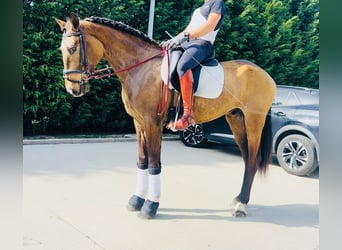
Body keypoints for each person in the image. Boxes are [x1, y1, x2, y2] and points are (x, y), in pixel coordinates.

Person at [162, 0, 226, 131]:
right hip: (188, 43)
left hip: (203, 44)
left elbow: (210, 25)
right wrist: (173, 40)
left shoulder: (217, 3)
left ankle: (188, 115)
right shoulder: (200, 8)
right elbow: (187, 30)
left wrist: (186, 36)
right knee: (168, 61)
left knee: (183, 67)